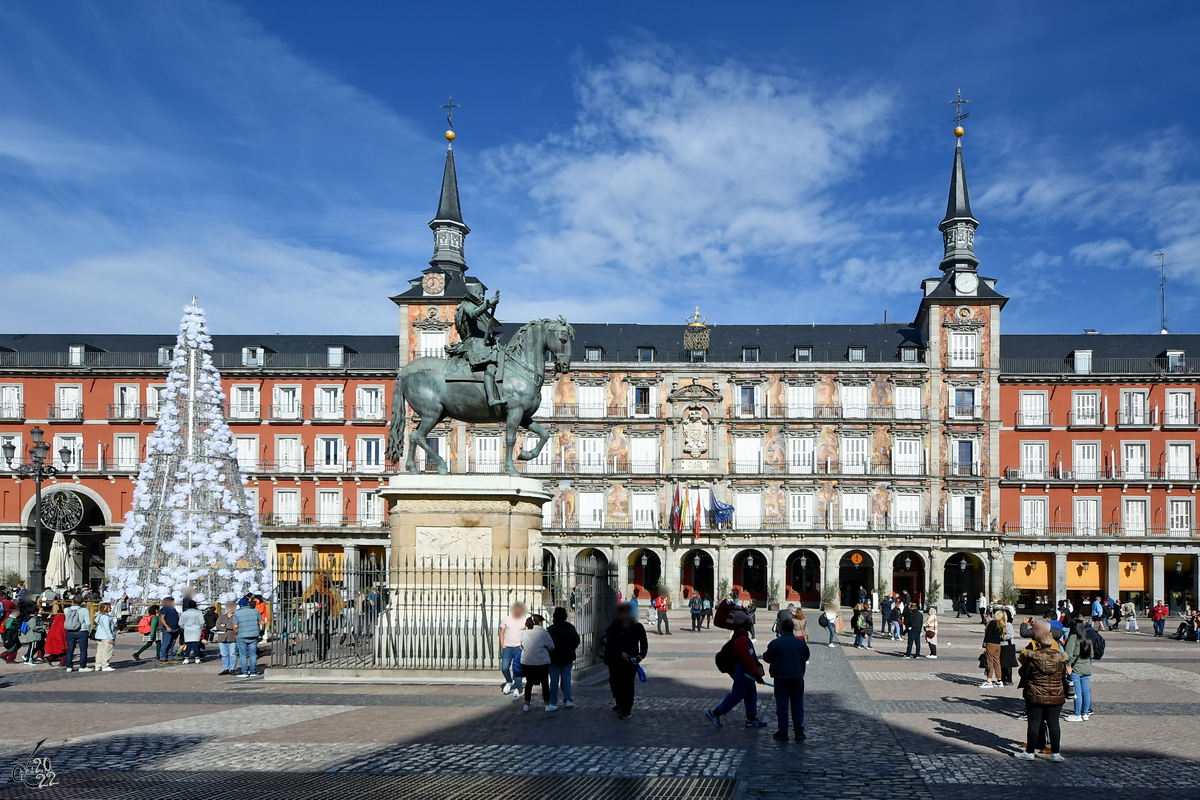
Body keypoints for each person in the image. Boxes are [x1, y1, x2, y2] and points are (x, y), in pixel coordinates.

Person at [706, 609, 768, 729]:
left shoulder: (741, 637)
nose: (750, 624)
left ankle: (751, 718)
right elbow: (747, 659)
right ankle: (715, 713)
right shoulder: (741, 639)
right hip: (743, 672)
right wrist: (756, 675)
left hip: (746, 671)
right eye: (748, 622)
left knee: (751, 694)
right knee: (737, 694)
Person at [1015, 630, 1068, 761]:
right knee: (1054, 724)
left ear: (1038, 644)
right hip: (1056, 695)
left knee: (1033, 723)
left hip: (1035, 694)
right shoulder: (1061, 659)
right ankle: (1056, 753)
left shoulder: (1032, 659)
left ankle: (1029, 752)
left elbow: (1023, 673)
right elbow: (1063, 675)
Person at [763, 618, 810, 741]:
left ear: (781, 628)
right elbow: (806, 656)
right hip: (797, 677)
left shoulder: (775, 643)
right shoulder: (801, 643)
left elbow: (767, 658)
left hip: (781, 678)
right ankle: (799, 731)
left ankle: (783, 731)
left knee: (782, 705)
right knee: (798, 705)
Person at [602, 602, 648, 720]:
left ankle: (626, 709)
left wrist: (640, 656)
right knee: (615, 683)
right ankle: (620, 703)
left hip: (630, 662)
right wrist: (620, 654)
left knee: (628, 685)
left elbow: (644, 644)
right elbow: (610, 642)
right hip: (615, 660)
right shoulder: (615, 626)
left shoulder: (638, 627)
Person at [519, 614, 555, 712]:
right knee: (544, 683)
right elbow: (551, 646)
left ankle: (526, 704)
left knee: (529, 683)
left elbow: (521, 645)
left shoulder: (525, 633)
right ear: (539, 622)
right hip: (542, 661)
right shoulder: (544, 633)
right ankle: (547, 705)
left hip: (527, 662)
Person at [547, 606, 579, 710]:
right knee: (566, 679)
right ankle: (568, 699)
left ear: (555, 617)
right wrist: (570, 648)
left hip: (554, 657)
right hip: (567, 657)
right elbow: (576, 640)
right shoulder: (570, 628)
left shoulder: (551, 629)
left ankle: (553, 701)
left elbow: (547, 643)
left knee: (554, 680)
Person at [1063, 617, 1093, 722]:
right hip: (1087, 668)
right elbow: (1091, 654)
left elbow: (1068, 653)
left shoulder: (1074, 637)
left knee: (1077, 693)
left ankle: (1077, 714)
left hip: (1076, 668)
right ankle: (1085, 713)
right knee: (1086, 692)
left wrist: (1068, 665)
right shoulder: (1087, 638)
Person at [498, 601, 528, 696]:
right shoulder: (506, 619)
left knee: (517, 669)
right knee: (504, 667)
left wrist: (523, 645)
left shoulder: (524, 620)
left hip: (519, 647)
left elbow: (528, 633)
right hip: (507, 647)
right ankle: (510, 681)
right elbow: (502, 632)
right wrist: (502, 645)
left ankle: (517, 687)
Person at [232, 597, 264, 677]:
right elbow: (262, 622)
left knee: (243, 654)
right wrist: (262, 631)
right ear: (248, 604)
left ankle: (244, 672)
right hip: (253, 635)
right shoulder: (256, 611)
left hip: (242, 635)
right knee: (253, 654)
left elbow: (235, 626)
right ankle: (253, 672)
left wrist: (235, 633)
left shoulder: (237, 613)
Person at [62, 595, 92, 672]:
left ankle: (69, 666)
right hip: (82, 630)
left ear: (73, 601)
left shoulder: (66, 609)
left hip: (70, 631)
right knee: (83, 650)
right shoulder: (84, 610)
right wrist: (88, 631)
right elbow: (88, 623)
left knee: (70, 649)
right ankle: (82, 666)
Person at [981, 609, 1006, 687]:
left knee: (989, 662)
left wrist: (984, 645)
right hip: (998, 645)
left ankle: (989, 681)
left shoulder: (993, 623)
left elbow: (988, 634)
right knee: (997, 662)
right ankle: (999, 680)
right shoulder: (1002, 624)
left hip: (991, 644)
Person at [213, 603, 240, 676]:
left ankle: (232, 669)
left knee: (232, 654)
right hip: (222, 638)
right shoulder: (221, 617)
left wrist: (225, 625)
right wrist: (230, 626)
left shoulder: (236, 617)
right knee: (224, 654)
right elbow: (218, 626)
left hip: (232, 638)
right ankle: (226, 668)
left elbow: (236, 626)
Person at [157, 597, 180, 663]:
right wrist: (167, 627)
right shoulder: (164, 609)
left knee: (172, 643)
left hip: (175, 628)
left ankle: (170, 656)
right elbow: (162, 618)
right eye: (171, 601)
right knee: (166, 643)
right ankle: (162, 657)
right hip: (168, 629)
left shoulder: (173, 609)